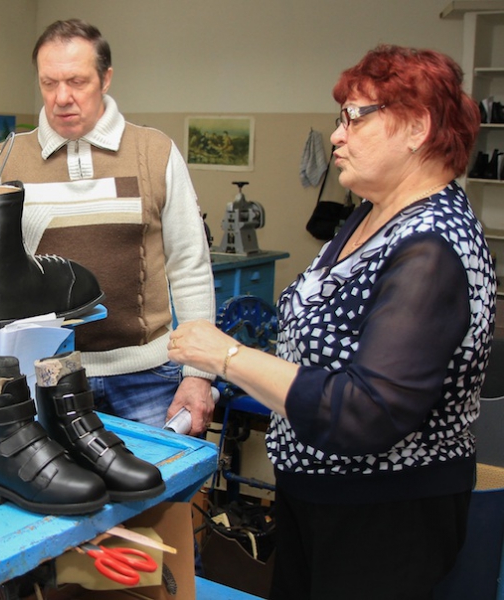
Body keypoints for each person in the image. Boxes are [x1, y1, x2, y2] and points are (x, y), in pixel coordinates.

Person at [169, 45, 495, 599]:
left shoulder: (432, 247)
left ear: (416, 128)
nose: (337, 136)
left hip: (382, 514)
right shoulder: (372, 213)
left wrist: (226, 356)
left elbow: (366, 411)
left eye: (354, 118)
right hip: (316, 496)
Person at [0, 19, 216, 433]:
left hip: (146, 378)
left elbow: (189, 267)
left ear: (106, 78)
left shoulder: (155, 153)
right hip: (44, 375)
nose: (62, 98)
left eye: (77, 81)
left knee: (160, 476)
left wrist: (199, 375)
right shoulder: (6, 159)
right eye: (49, 83)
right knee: (48, 478)